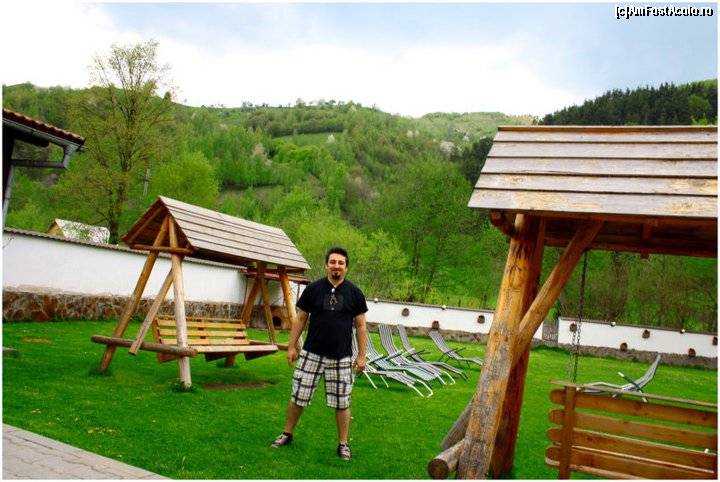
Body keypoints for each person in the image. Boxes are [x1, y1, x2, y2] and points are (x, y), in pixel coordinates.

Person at [271, 247, 368, 461]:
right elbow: (300, 318)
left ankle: (343, 444)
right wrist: (291, 346)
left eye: (340, 263)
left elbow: (361, 326)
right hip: (311, 354)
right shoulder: (313, 289)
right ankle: (287, 434)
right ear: (326, 265)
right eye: (332, 262)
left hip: (341, 357)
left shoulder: (355, 293)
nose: (336, 266)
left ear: (346, 267)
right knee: (298, 396)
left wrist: (362, 356)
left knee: (342, 402)